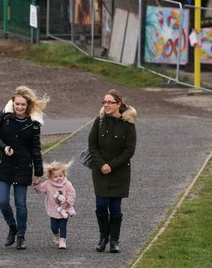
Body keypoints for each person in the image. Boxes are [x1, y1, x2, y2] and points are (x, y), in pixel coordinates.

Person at [0, 86, 49, 250]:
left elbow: (35, 149)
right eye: (17, 104)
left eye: (23, 105)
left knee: (20, 204)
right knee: (2, 201)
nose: (20, 108)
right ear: (12, 103)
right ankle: (12, 227)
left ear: (28, 105)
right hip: (3, 165)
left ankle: (21, 236)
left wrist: (39, 172)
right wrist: (4, 146)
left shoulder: (33, 124)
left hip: (22, 167)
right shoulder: (4, 116)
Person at [88, 89, 137, 253]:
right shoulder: (99, 121)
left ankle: (114, 241)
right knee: (101, 205)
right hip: (100, 171)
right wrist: (102, 164)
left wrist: (112, 165)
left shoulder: (128, 125)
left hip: (119, 173)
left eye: (110, 102)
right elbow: (92, 145)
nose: (106, 105)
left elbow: (129, 150)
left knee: (115, 207)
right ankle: (103, 238)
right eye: (104, 102)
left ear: (119, 104)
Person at [34, 161, 77, 249]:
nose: (58, 178)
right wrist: (36, 184)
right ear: (50, 176)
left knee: (63, 226)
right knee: (54, 227)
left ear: (64, 175)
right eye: (55, 176)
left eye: (60, 176)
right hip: (53, 210)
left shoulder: (67, 184)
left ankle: (62, 240)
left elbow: (72, 194)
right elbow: (40, 190)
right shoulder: (47, 184)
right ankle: (56, 235)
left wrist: (68, 202)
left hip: (64, 209)